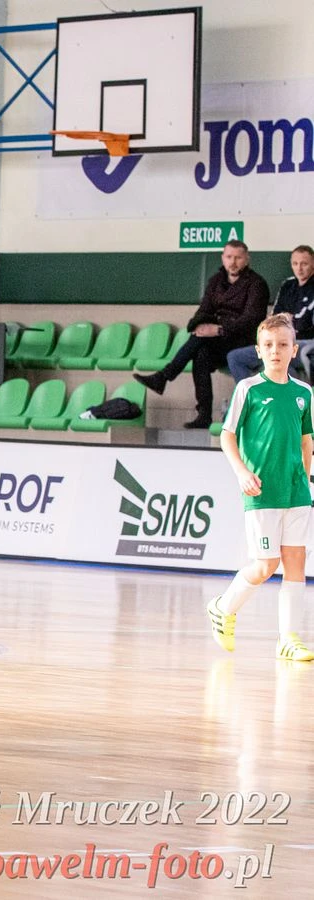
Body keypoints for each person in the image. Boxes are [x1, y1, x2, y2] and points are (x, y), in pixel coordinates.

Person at [209, 313, 314, 663]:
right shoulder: (248, 389)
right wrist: (241, 472)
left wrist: (306, 481)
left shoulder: (304, 393)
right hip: (262, 490)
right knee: (266, 565)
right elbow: (227, 436)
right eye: (268, 345)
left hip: (296, 492)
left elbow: (306, 442)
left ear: (294, 350)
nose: (275, 351)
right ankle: (223, 607)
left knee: (296, 562)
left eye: (283, 345)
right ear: (258, 350)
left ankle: (289, 639)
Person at [135, 239, 268, 428]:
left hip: (242, 341)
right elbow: (204, 309)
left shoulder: (257, 284)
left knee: (200, 343)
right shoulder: (216, 281)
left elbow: (252, 321)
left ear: (247, 259)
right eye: (229, 257)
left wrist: (219, 328)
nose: (233, 262)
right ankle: (203, 415)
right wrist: (199, 326)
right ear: (222, 258)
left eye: (238, 258)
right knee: (201, 353)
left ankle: (164, 376)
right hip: (217, 341)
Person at [227, 245, 314, 380]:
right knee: (235, 357)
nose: (299, 268)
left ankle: (292, 393)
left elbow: (305, 323)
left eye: (304, 264)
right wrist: (285, 319)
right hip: (277, 341)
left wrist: (287, 320)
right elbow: (273, 319)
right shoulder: (287, 285)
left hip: (304, 343)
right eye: (295, 264)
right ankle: (249, 393)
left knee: (278, 362)